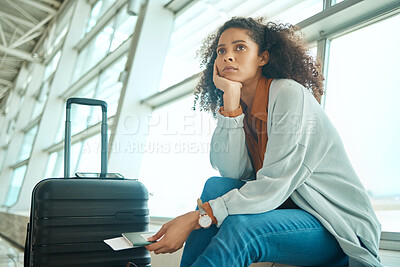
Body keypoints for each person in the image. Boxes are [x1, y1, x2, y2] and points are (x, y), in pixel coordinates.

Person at [145, 17, 382, 267]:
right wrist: (232, 102)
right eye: (221, 51)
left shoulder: (289, 93)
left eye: (240, 47)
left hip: (336, 226)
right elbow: (232, 171)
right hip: (292, 211)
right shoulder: (242, 108)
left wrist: (199, 217)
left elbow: (274, 184)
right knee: (216, 186)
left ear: (263, 58)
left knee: (242, 228)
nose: (228, 56)